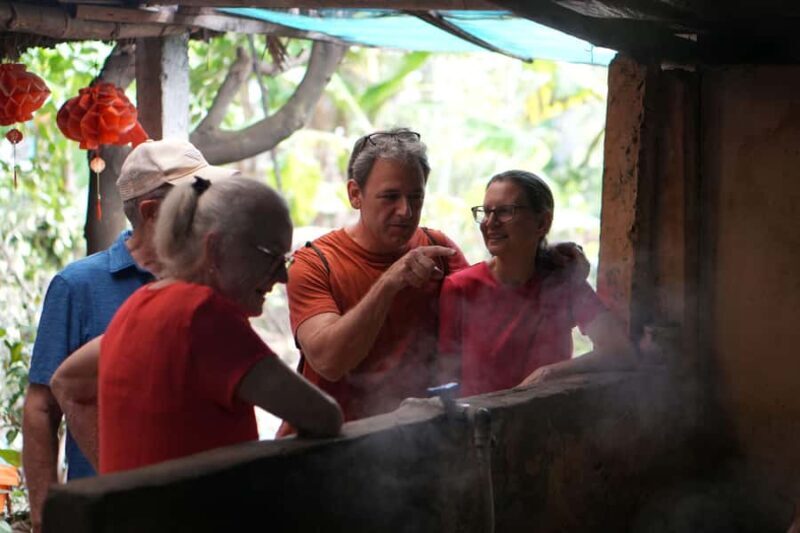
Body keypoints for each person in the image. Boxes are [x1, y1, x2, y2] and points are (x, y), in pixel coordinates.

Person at [284, 129, 588, 429]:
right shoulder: (314, 263)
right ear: (355, 194)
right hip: (328, 440)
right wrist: (390, 282)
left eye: (415, 197)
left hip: (410, 441)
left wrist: (551, 262)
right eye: (390, 197)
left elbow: (498, 299)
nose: (405, 211)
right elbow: (329, 362)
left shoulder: (437, 249)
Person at [51, 177, 342, 475]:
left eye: (286, 259)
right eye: (271, 256)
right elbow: (324, 416)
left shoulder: (140, 305)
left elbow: (67, 378)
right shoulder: (204, 315)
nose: (283, 276)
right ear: (215, 248)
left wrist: (114, 475)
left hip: (137, 517)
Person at [22, 138, 238, 531]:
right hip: (107, 513)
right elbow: (40, 408)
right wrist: (43, 516)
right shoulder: (78, 285)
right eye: (199, 198)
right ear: (153, 212)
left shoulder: (213, 281)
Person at [438, 170, 636, 397]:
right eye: (486, 212)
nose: (490, 223)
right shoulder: (460, 287)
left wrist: (549, 373)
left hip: (547, 422)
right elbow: (447, 381)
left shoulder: (562, 282)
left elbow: (620, 351)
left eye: (505, 212)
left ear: (542, 222)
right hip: (481, 424)